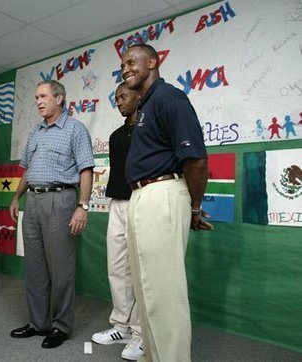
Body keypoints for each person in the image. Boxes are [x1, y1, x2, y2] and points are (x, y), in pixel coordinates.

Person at [121, 44, 213, 362]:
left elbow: (196, 161)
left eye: (132, 62)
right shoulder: (145, 105)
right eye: (122, 64)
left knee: (164, 293)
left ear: (153, 62)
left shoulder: (169, 97)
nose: (126, 68)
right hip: (141, 196)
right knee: (147, 292)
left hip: (161, 193)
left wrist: (195, 209)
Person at [9, 80, 94, 349]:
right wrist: (16, 196)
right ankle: (38, 323)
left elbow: (86, 170)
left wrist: (83, 206)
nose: (38, 101)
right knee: (34, 268)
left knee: (61, 270)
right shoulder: (35, 131)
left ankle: (61, 326)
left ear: (59, 98)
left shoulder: (75, 129)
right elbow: (28, 169)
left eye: (43, 96)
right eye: (36, 97)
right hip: (32, 202)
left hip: (61, 200)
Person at [91, 83, 143, 361]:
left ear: (139, 96)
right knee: (117, 268)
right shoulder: (115, 135)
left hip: (143, 200)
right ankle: (121, 327)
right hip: (118, 203)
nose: (119, 102)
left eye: (123, 96)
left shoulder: (150, 129)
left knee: (140, 270)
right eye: (116, 98)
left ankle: (140, 332)